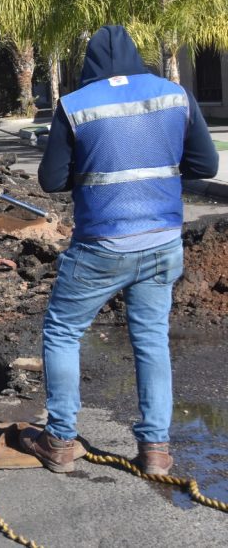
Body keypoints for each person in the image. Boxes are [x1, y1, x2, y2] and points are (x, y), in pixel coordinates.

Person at [22, 26, 218, 474]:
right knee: (151, 338)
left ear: (89, 63)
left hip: (101, 246)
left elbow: (51, 179)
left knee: (62, 330)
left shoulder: (75, 105)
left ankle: (60, 440)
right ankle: (155, 450)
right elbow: (206, 164)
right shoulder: (176, 96)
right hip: (162, 242)